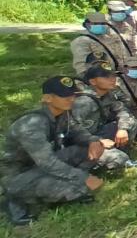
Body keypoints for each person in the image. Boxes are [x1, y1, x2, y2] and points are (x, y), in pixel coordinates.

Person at [1, 76, 106, 225]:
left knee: (86, 150)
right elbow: (47, 162)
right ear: (47, 98)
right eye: (64, 96)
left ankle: (56, 186)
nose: (71, 99)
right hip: (19, 175)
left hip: (41, 166)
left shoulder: (63, 113)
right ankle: (15, 201)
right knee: (79, 190)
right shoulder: (31, 124)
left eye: (72, 94)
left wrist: (93, 141)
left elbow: (78, 132)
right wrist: (82, 177)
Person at [71, 65, 137, 170]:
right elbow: (72, 130)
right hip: (83, 143)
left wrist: (122, 129)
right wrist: (96, 141)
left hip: (98, 133)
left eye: (113, 76)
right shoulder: (84, 101)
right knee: (120, 158)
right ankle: (87, 165)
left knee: (131, 123)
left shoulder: (108, 94)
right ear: (93, 82)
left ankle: (116, 151)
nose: (112, 79)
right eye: (106, 77)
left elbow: (122, 111)